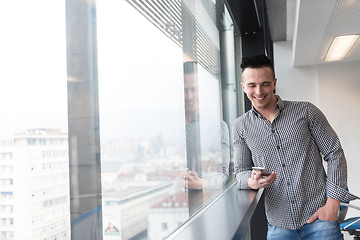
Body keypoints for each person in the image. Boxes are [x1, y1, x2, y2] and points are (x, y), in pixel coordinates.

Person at [232, 54, 358, 239]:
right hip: (278, 226)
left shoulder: (306, 111)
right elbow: (241, 173)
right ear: (243, 86)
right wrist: (252, 182)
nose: (259, 91)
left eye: (265, 84)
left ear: (274, 82)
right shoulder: (240, 126)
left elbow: (334, 153)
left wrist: (332, 204)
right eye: (252, 85)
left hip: (320, 219)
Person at [183, 61, 230, 190]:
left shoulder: (218, 127)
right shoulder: (169, 127)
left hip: (203, 201)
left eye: (194, 89)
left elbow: (222, 173)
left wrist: (203, 183)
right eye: (185, 90)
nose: (189, 96)